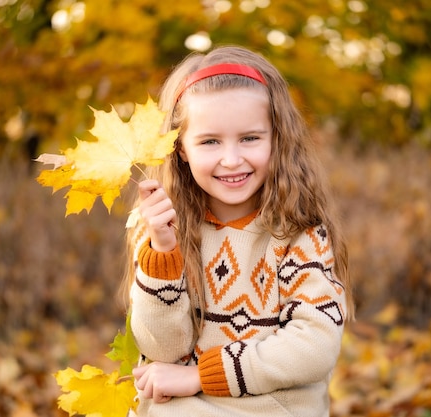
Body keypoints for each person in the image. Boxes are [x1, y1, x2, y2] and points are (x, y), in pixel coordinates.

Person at [124, 45, 354, 417]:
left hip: (273, 408)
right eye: (210, 141)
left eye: (249, 138)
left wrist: (201, 376)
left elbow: (314, 345)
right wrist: (163, 252)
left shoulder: (299, 235)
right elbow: (163, 351)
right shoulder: (165, 231)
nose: (231, 159)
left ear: (276, 138)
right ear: (180, 148)